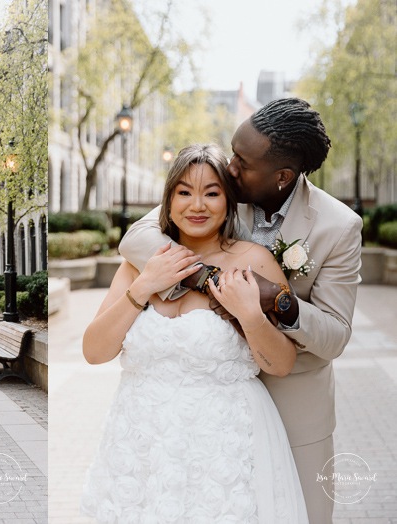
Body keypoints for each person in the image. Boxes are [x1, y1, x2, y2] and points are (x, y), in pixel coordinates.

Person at [119, 98, 363, 523]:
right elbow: (138, 235)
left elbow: (336, 334)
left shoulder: (338, 226)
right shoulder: (225, 190)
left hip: (293, 404)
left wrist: (278, 302)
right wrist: (208, 276)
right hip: (217, 402)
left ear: (282, 176)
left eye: (242, 161)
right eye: (233, 152)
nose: (230, 167)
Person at [81, 144, 308, 522]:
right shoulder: (141, 264)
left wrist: (250, 315)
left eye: (212, 193)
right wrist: (142, 288)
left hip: (222, 446)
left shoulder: (253, 261)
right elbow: (94, 352)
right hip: (141, 442)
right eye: (184, 192)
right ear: (168, 201)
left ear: (229, 201)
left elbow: (282, 363)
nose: (197, 205)